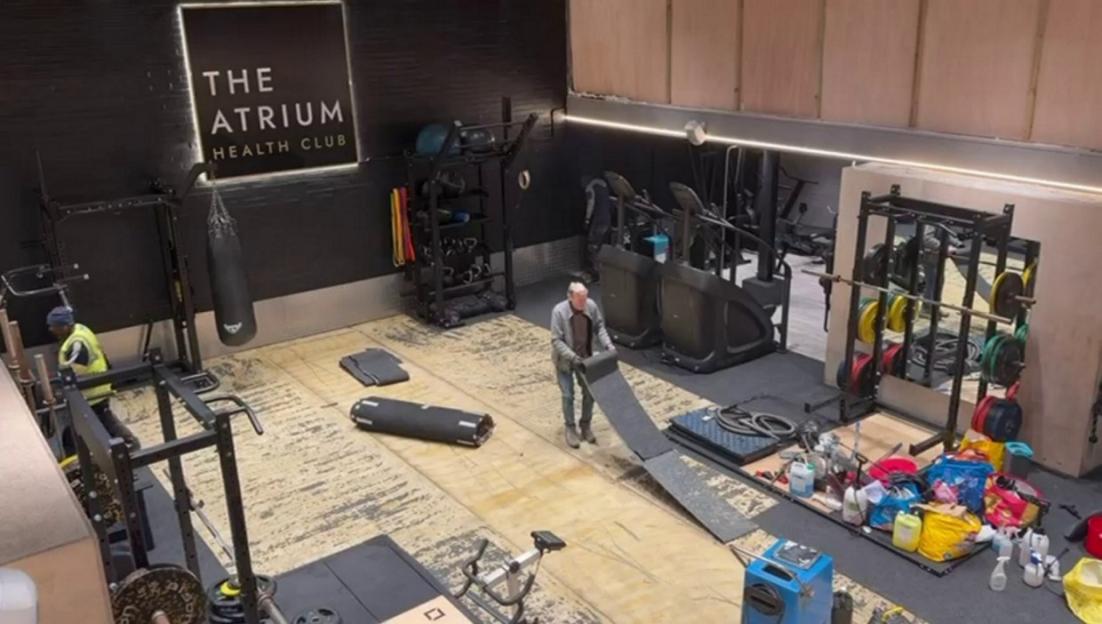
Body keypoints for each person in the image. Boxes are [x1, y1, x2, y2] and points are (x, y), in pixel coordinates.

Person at [47, 306, 137, 450]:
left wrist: (57, 382)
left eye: (54, 326)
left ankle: (129, 442)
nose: (51, 329)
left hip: (92, 392)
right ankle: (126, 442)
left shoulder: (77, 345)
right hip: (97, 386)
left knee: (104, 420)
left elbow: (74, 372)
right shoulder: (80, 329)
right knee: (100, 420)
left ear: (65, 326)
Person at [550, 281, 614, 449]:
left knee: (590, 392)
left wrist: (608, 345)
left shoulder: (591, 306)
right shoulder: (559, 312)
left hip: (585, 359)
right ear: (570, 297)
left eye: (585, 298)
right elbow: (556, 340)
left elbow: (599, 327)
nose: (583, 303)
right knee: (568, 395)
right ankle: (570, 428)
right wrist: (572, 357)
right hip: (565, 361)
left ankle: (585, 425)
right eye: (579, 299)